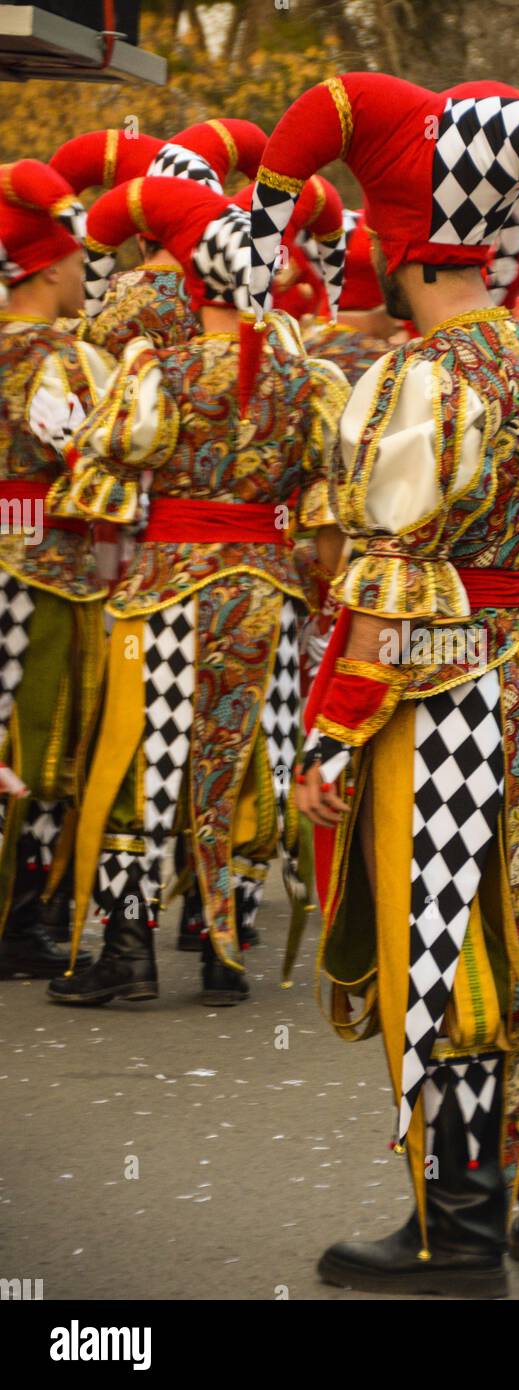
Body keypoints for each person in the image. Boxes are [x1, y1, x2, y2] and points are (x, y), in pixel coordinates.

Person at [248, 70, 519, 1299]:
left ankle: (452, 1227)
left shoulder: (420, 378)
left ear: (403, 253)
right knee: (517, 942)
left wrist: (332, 733)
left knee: (446, 948)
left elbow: (393, 581)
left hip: (443, 698)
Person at [45, 176, 348, 1008]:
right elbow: (328, 502)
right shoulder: (304, 377)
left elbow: (99, 465)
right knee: (244, 755)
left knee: (145, 759)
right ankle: (226, 949)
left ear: (197, 282)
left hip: (164, 592)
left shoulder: (160, 370)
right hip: (267, 592)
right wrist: (319, 590)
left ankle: (129, 950)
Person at [0, 159, 117, 979]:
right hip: (48, 567)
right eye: (76, 261)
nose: (85, 275)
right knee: (45, 749)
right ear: (46, 266)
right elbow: (89, 455)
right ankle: (19, 918)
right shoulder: (61, 359)